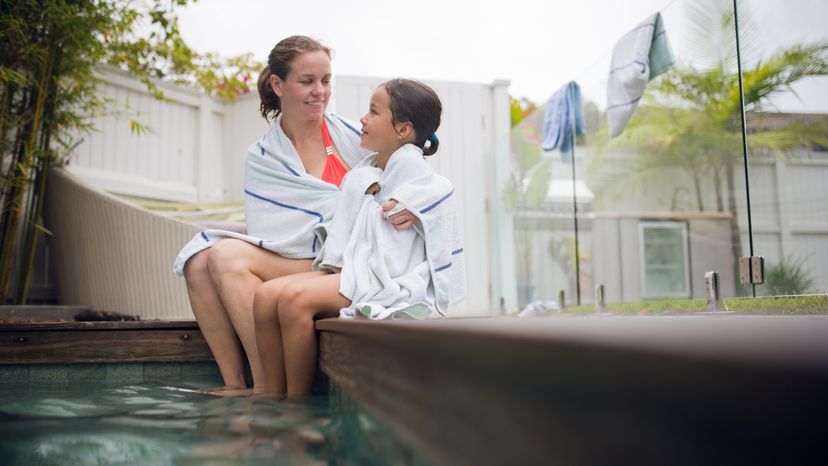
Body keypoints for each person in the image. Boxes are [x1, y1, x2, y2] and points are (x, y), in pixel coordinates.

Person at [173, 36, 417, 393]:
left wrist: (412, 204)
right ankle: (235, 384)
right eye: (307, 81)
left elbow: (411, 171)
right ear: (278, 84)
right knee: (197, 263)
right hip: (301, 256)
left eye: (326, 80)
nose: (320, 91)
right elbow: (273, 234)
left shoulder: (353, 136)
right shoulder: (263, 157)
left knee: (225, 256)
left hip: (348, 257)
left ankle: (265, 383)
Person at [252, 79, 465, 396]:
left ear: (403, 130)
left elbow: (440, 193)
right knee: (265, 296)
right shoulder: (369, 171)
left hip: (384, 281)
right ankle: (270, 394)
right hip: (356, 270)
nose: (363, 119)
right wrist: (363, 186)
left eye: (373, 112)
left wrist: (416, 207)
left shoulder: (420, 179)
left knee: (293, 301)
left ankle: (297, 407)